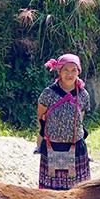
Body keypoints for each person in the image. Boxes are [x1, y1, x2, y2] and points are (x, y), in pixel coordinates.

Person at [36, 53, 91, 189]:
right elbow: (41, 117)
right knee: (51, 192)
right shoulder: (48, 93)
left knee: (78, 191)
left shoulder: (83, 94)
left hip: (76, 147)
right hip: (52, 146)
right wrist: (40, 138)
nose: (70, 74)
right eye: (66, 70)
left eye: (74, 70)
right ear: (59, 71)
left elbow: (81, 118)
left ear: (78, 71)